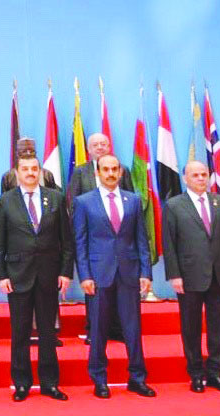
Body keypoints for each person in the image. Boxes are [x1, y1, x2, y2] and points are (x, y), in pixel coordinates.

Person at [73, 154, 155, 399]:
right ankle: (99, 379)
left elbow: (141, 239)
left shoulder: (133, 201)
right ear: (97, 172)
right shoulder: (84, 202)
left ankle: (137, 378)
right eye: (105, 169)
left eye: (114, 169)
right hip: (98, 275)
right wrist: (85, 275)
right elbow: (80, 241)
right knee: (98, 329)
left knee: (132, 329)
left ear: (120, 173)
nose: (110, 173)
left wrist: (146, 272)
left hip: (129, 274)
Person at [0, 155, 73, 402]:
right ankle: (22, 383)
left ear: (40, 171)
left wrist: (65, 272)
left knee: (48, 332)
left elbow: (67, 241)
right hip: (17, 276)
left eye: (34, 168)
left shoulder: (56, 198)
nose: (30, 172)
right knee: (20, 333)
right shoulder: (5, 201)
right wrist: (1, 275)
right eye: (25, 169)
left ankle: (49, 383)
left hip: (49, 275)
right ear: (17, 173)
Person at [163, 161, 220, 393]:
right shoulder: (174, 205)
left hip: (218, 275)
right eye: (195, 175)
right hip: (188, 276)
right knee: (191, 327)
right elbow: (169, 242)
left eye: (204, 174)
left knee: (217, 327)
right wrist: (174, 275)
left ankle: (215, 372)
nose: (201, 178)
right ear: (185, 178)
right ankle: (196, 374)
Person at [67, 132, 132, 344]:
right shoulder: (80, 172)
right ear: (89, 149)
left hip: (119, 239)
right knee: (95, 289)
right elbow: (72, 201)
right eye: (96, 145)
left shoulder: (122, 170)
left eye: (104, 143)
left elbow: (131, 200)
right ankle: (94, 329)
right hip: (93, 238)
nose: (100, 147)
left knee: (119, 288)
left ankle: (116, 328)